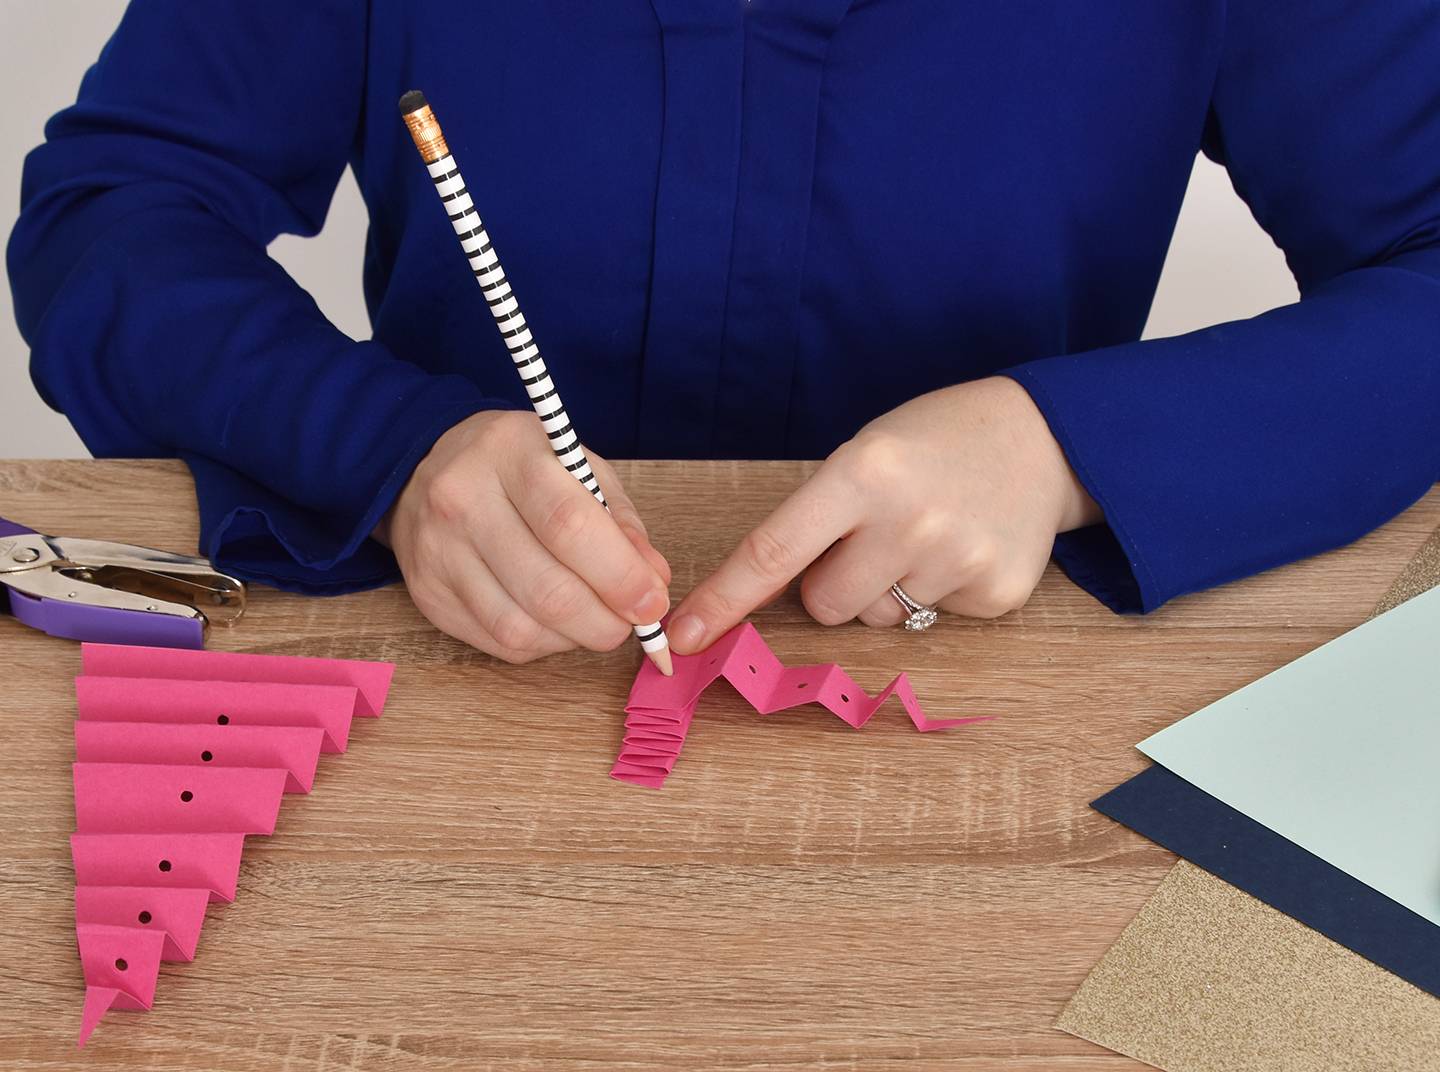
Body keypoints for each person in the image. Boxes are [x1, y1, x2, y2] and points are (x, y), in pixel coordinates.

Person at [8, 2, 1439, 665]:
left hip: (1007, 697)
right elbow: (111, 217)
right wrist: (388, 450)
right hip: (456, 675)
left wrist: (1069, 447)